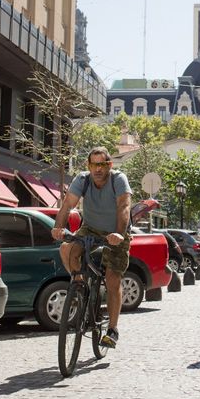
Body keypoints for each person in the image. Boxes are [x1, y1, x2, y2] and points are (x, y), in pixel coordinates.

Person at [52, 146, 132, 348]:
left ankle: (112, 330)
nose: (97, 169)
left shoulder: (118, 179)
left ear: (109, 165)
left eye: (102, 164)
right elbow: (67, 205)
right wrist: (58, 227)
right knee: (66, 249)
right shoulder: (83, 179)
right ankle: (80, 288)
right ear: (89, 166)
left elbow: (124, 206)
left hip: (116, 231)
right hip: (90, 228)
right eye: (93, 165)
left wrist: (119, 234)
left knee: (112, 279)